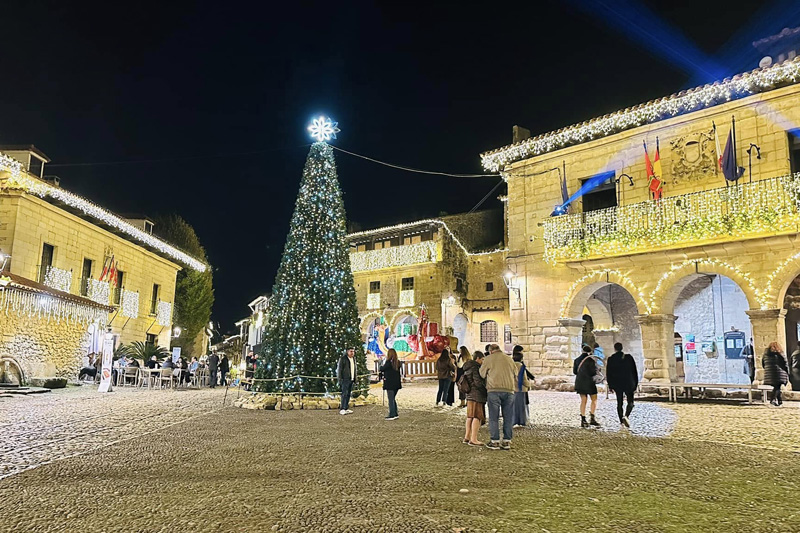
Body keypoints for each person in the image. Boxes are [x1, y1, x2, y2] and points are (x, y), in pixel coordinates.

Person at [479, 344, 517, 450]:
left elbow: (482, 374)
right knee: (508, 417)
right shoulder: (509, 359)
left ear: (491, 351)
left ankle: (495, 441)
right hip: (509, 390)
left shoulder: (488, 359)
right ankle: (507, 441)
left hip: (494, 390)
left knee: (494, 417)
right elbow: (516, 373)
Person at [606, 342, 638, 428]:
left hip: (617, 384)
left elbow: (608, 373)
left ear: (615, 349)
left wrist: (610, 385)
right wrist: (635, 383)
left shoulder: (611, 359)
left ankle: (621, 420)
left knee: (619, 403)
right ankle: (626, 416)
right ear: (622, 348)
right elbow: (634, 371)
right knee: (630, 402)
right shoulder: (629, 358)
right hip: (629, 383)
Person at [462, 351, 487, 446]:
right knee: (477, 416)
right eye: (482, 359)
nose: (483, 362)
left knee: (470, 416)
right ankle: (474, 439)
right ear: (478, 359)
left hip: (469, 395)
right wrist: (484, 388)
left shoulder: (467, 367)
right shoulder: (475, 368)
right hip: (477, 395)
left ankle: (467, 436)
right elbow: (478, 382)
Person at [574, 345, 601, 428]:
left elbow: (575, 372)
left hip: (580, 382)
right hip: (589, 382)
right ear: (590, 352)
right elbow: (593, 372)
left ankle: (583, 419)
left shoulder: (576, 360)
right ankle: (592, 417)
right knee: (594, 399)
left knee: (583, 400)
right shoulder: (591, 360)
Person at [512, 346, 534, 428]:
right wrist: (529, 385)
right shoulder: (521, 366)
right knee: (522, 406)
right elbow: (524, 378)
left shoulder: (511, 365)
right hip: (521, 389)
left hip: (512, 388)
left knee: (514, 406)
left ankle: (514, 420)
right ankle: (522, 420)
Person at [762, 341, 789, 406]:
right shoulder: (780, 354)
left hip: (769, 374)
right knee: (777, 387)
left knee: (777, 387)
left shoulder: (765, 355)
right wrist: (787, 371)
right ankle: (772, 399)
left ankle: (780, 401)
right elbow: (785, 363)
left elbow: (763, 364)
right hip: (778, 373)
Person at [379, 348, 403, 420]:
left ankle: (392, 414)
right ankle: (395, 413)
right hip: (396, 384)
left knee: (390, 399)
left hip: (389, 383)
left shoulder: (388, 362)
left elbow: (382, 369)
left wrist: (380, 363)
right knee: (393, 399)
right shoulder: (397, 362)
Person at [337, 347, 357, 415]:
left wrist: (355, 378)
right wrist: (340, 379)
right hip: (345, 379)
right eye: (351, 351)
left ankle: (346, 407)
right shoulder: (343, 359)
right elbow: (340, 370)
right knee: (344, 394)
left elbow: (354, 369)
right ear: (347, 352)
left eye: (353, 351)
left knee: (348, 394)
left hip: (351, 379)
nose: (352, 353)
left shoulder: (353, 359)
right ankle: (342, 408)